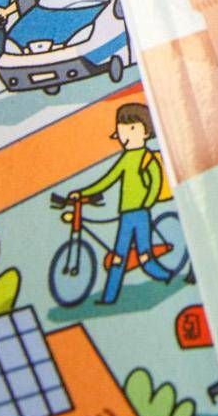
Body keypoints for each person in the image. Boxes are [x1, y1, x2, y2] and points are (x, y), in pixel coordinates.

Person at [70, 103, 175, 304]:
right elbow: (108, 179)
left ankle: (167, 275)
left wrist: (147, 202)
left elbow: (155, 182)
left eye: (132, 129)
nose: (126, 135)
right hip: (126, 213)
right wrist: (82, 193)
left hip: (140, 213)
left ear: (146, 132)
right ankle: (109, 297)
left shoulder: (146, 157)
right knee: (118, 257)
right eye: (122, 130)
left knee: (144, 255)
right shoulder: (126, 159)